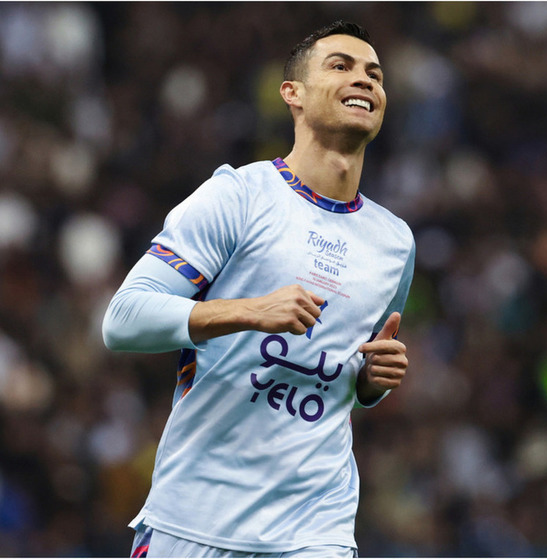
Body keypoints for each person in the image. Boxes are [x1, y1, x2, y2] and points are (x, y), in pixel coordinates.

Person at [102, 20, 415, 559]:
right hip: (197, 516)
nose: (365, 80)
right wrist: (249, 311)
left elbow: (346, 372)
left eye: (375, 74)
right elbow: (123, 320)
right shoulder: (238, 196)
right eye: (340, 66)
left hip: (315, 527)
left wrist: (371, 382)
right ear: (292, 93)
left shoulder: (395, 242)